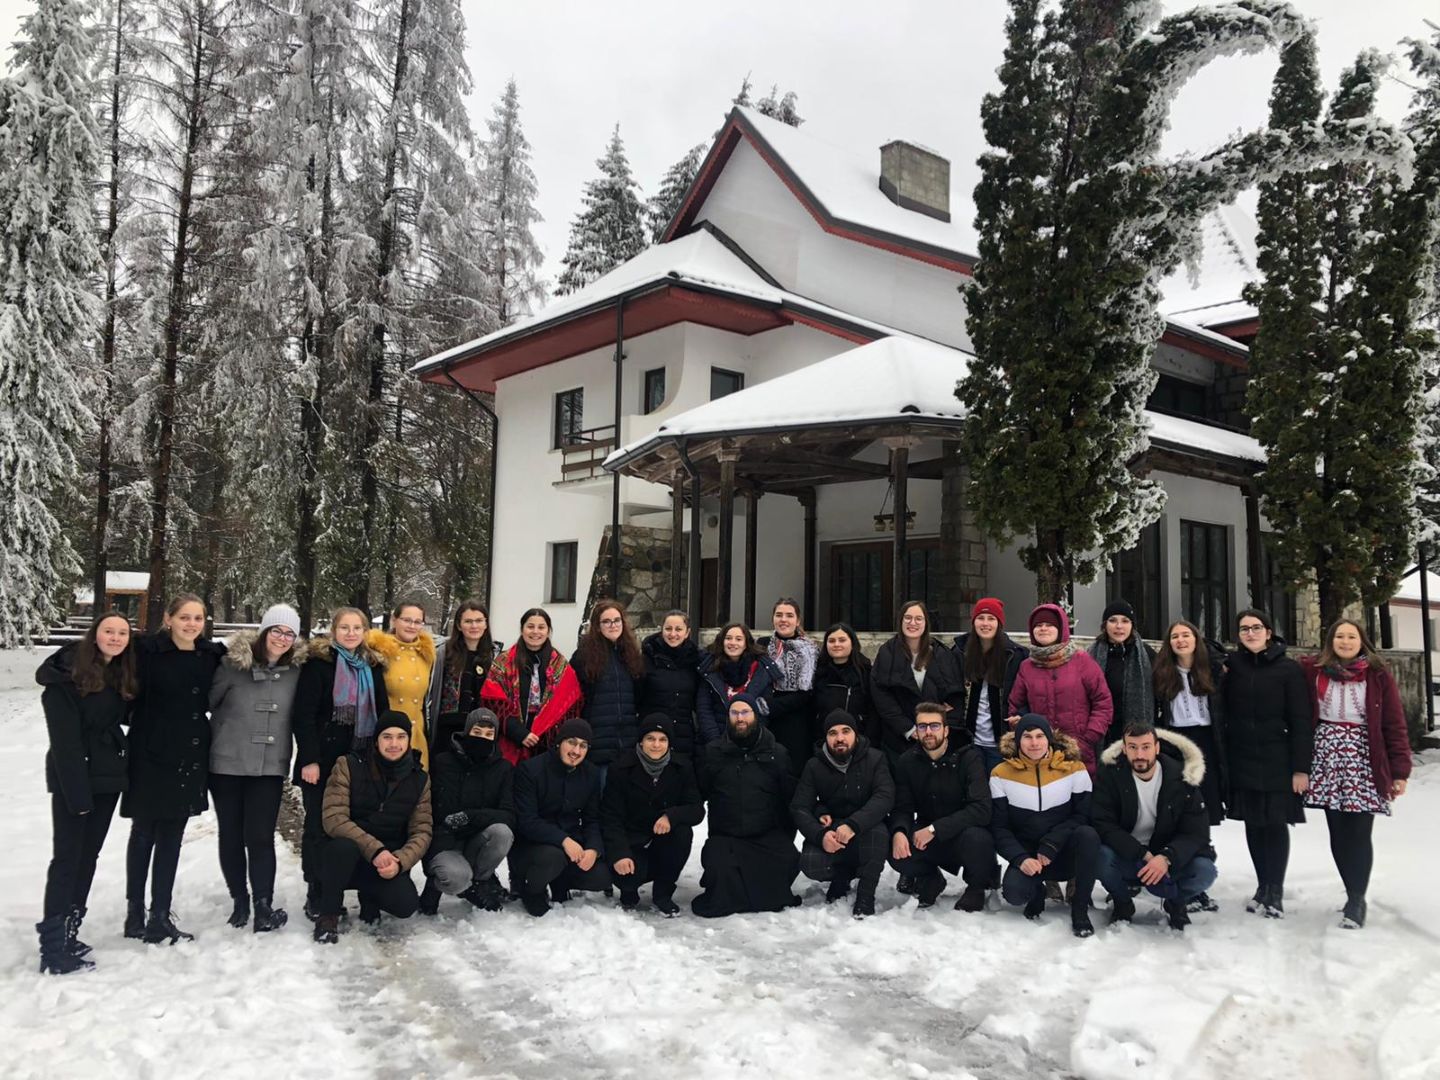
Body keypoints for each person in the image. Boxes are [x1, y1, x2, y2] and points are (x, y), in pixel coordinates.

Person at [122, 594, 227, 945]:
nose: (192, 624)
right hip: (150, 751)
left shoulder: (211, 655)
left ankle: (159, 915)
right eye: (185, 617)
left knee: (171, 837)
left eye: (198, 618)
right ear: (169, 618)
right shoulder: (144, 650)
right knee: (143, 834)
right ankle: (134, 911)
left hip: (189, 754)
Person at [36, 612, 137, 974]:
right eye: (109, 631)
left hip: (108, 779)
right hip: (74, 781)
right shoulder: (65, 680)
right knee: (66, 859)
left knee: (88, 857)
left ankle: (70, 930)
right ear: (95, 635)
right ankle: (52, 946)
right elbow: (65, 744)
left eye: (122, 633)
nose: (115, 637)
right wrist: (77, 797)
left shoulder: (118, 673)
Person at [1299, 619, 1412, 929]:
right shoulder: (1313, 671)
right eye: (1339, 636)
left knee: (1359, 831)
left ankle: (1357, 898)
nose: (1345, 642)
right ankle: (1350, 891)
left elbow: (1394, 724)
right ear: (1330, 641)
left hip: (1364, 758)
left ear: (1361, 641)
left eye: (1351, 636)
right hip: (1327, 758)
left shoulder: (1377, 676)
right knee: (1337, 830)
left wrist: (1400, 770)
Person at [207, 604, 307, 933]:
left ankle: (263, 903)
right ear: (264, 631)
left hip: (269, 766)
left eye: (289, 633)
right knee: (231, 834)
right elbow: (206, 704)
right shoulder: (232, 666)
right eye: (276, 631)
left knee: (261, 836)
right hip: (227, 762)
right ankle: (240, 899)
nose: (281, 638)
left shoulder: (297, 672)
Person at [292, 606, 391, 919]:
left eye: (357, 628)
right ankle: (316, 890)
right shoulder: (319, 664)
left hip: (360, 760)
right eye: (345, 627)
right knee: (318, 826)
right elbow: (303, 715)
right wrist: (309, 759)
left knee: (355, 825)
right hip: (321, 760)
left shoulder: (372, 666)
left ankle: (351, 884)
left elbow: (383, 713)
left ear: (364, 631)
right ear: (334, 630)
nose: (351, 633)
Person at [1222, 608, 1310, 919]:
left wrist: (1301, 768)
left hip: (1279, 758)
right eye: (1244, 629)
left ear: (1269, 632)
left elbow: (1301, 720)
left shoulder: (1288, 670)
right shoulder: (1233, 667)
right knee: (1253, 824)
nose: (1250, 633)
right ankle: (1262, 885)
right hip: (1243, 756)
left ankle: (1276, 888)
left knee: (1274, 824)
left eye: (1256, 628)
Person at [313, 712, 432, 943]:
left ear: (409, 741)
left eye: (401, 737)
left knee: (405, 904)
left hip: (385, 861)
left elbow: (422, 831)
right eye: (387, 737)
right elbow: (334, 818)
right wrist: (375, 850)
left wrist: (400, 861)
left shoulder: (420, 780)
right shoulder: (348, 765)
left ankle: (371, 897)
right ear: (376, 740)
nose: (394, 744)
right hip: (344, 857)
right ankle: (328, 913)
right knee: (342, 849)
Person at [1092, 722, 1218, 932]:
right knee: (1098, 855)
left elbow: (1196, 833)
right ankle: (1123, 903)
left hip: (1167, 860)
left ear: (1157, 748)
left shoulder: (1182, 778)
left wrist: (1166, 857)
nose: (1139, 754)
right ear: (1124, 749)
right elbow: (1103, 824)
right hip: (1129, 856)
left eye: (1146, 747)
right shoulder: (1111, 776)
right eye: (1132, 747)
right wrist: (1141, 854)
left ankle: (1176, 903)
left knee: (1205, 871)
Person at [989, 714, 1099, 938]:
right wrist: (1021, 859)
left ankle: (1079, 909)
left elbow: (1084, 814)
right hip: (1031, 857)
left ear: (1049, 739)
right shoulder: (1000, 774)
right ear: (1018, 740)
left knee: (1088, 835)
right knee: (1014, 893)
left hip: (1063, 850)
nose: (1034, 742)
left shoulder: (1074, 768)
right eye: (1027, 737)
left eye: (1040, 736)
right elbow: (999, 828)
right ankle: (1037, 891)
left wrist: (1052, 842)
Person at [691, 694, 801, 917]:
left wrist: (784, 835)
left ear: (755, 716)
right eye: (734, 713)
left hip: (765, 837)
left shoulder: (777, 753)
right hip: (726, 837)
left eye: (745, 712)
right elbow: (698, 793)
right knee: (720, 874)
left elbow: (790, 799)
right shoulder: (713, 752)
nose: (740, 718)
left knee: (789, 859)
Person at [888, 701, 995, 912]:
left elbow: (981, 809)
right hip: (927, 835)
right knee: (893, 847)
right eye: (922, 726)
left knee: (979, 839)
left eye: (934, 726)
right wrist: (899, 831)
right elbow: (903, 806)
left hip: (962, 832)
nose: (928, 732)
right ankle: (930, 877)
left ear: (946, 730)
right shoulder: (907, 761)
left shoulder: (969, 757)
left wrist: (934, 829)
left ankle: (976, 887)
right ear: (916, 731)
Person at [791, 710, 894, 918]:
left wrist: (854, 824)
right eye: (833, 733)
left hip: (867, 826)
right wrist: (821, 835)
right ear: (826, 738)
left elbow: (884, 796)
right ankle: (841, 876)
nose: (840, 738)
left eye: (846, 731)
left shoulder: (875, 759)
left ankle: (866, 893)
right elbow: (799, 807)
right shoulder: (814, 765)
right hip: (833, 828)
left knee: (879, 835)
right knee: (810, 861)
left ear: (855, 734)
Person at [601, 715, 705, 916]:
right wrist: (620, 853)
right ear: (641, 741)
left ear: (669, 743)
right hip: (633, 840)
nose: (656, 745)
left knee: (682, 832)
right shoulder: (620, 769)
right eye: (650, 738)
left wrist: (670, 816)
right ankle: (628, 891)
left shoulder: (681, 767)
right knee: (627, 875)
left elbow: (697, 809)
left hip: (663, 841)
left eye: (662, 739)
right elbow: (610, 816)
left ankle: (663, 893)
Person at [511, 718, 613, 916]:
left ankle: (560, 883)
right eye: (572, 742)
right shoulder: (530, 770)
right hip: (532, 847)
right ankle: (531, 890)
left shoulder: (590, 774)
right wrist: (563, 840)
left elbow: (592, 818)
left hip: (571, 846)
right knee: (553, 857)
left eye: (583, 746)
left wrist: (593, 849)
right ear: (559, 742)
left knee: (601, 876)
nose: (576, 751)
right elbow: (526, 821)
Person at [421, 707, 515, 915]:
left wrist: (471, 817)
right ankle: (437, 885)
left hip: (477, 841)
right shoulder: (442, 762)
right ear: (466, 732)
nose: (483, 738)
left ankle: (479, 882)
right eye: (477, 732)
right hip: (445, 841)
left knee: (502, 833)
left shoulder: (503, 769)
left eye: (489, 734)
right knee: (456, 877)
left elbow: (508, 814)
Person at [1008, 604, 1112, 775]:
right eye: (1038, 625)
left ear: (1061, 628)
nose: (1043, 629)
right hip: (1039, 752)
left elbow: (1103, 703)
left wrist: (1087, 738)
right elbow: (1016, 703)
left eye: (1049, 625)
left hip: (1078, 751)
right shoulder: (1026, 666)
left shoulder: (1082, 661)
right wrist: (1021, 723)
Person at [481, 607, 583, 766]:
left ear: (549, 631)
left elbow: (569, 705)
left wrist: (547, 735)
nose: (536, 632)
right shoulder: (503, 662)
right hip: (510, 739)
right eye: (530, 626)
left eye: (541, 627)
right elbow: (493, 703)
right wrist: (519, 733)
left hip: (547, 743)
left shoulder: (561, 665)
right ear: (522, 629)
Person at [870, 600, 966, 768]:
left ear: (926, 623)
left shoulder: (942, 653)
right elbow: (882, 696)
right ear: (900, 621)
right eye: (907, 618)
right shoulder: (887, 652)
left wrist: (941, 730)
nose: (912, 623)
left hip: (936, 740)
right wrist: (909, 729)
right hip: (898, 739)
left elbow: (955, 695)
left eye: (918, 618)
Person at [1154, 619, 1228, 829]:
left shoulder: (1214, 669)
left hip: (1207, 740)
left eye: (1186, 635)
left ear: (1196, 639)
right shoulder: (1162, 672)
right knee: (1180, 806)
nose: (1181, 640)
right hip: (1175, 741)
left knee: (1207, 806)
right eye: (1175, 636)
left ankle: (1204, 854)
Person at [573, 599, 645, 785]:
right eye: (606, 621)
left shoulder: (631, 655)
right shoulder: (584, 656)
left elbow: (638, 697)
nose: (613, 625)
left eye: (617, 620)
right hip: (598, 744)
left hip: (628, 742)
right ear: (597, 626)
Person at [952, 598, 1027, 773]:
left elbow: (1027, 694)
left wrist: (1021, 715)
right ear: (973, 622)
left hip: (1001, 742)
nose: (985, 623)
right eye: (981, 618)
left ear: (999, 623)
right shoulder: (959, 652)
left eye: (991, 619)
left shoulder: (1016, 655)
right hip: (969, 741)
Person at [367, 599, 436, 769]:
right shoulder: (378, 652)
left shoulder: (427, 655)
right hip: (387, 737)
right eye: (406, 620)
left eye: (417, 622)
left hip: (415, 733)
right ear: (394, 620)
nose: (412, 626)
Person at [756, 598, 819, 776]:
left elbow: (806, 693)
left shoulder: (809, 649)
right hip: (764, 719)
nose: (784, 619)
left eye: (789, 615)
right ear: (773, 618)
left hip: (796, 720)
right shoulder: (761, 645)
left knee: (792, 771)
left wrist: (771, 706)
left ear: (797, 621)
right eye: (779, 615)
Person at [427, 601, 499, 753]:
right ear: (459, 625)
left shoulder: (496, 657)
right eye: (468, 621)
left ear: (486, 624)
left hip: (483, 730)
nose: (474, 626)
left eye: (479, 621)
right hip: (448, 730)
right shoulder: (443, 653)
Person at [695, 622, 782, 745]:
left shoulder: (761, 671)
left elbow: (762, 712)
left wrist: (751, 741)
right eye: (728, 638)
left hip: (750, 744)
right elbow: (704, 710)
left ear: (746, 643)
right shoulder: (709, 669)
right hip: (715, 742)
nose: (733, 643)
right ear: (722, 642)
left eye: (739, 639)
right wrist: (715, 742)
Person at [1087, 600, 1155, 747]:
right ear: (1105, 625)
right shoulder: (1090, 655)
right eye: (1113, 620)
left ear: (1132, 625)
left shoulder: (1147, 655)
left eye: (1125, 621)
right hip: (1102, 733)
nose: (1119, 626)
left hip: (1137, 734)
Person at [638, 610, 702, 759]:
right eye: (668, 629)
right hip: (653, 738)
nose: (673, 634)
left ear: (687, 633)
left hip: (683, 737)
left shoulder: (696, 661)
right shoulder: (647, 659)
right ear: (661, 630)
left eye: (678, 629)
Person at [812, 622, 874, 745]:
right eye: (831, 641)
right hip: (824, 741)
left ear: (852, 643)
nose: (836, 644)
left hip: (859, 740)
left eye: (842, 640)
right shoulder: (817, 672)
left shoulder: (866, 672)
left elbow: (873, 710)